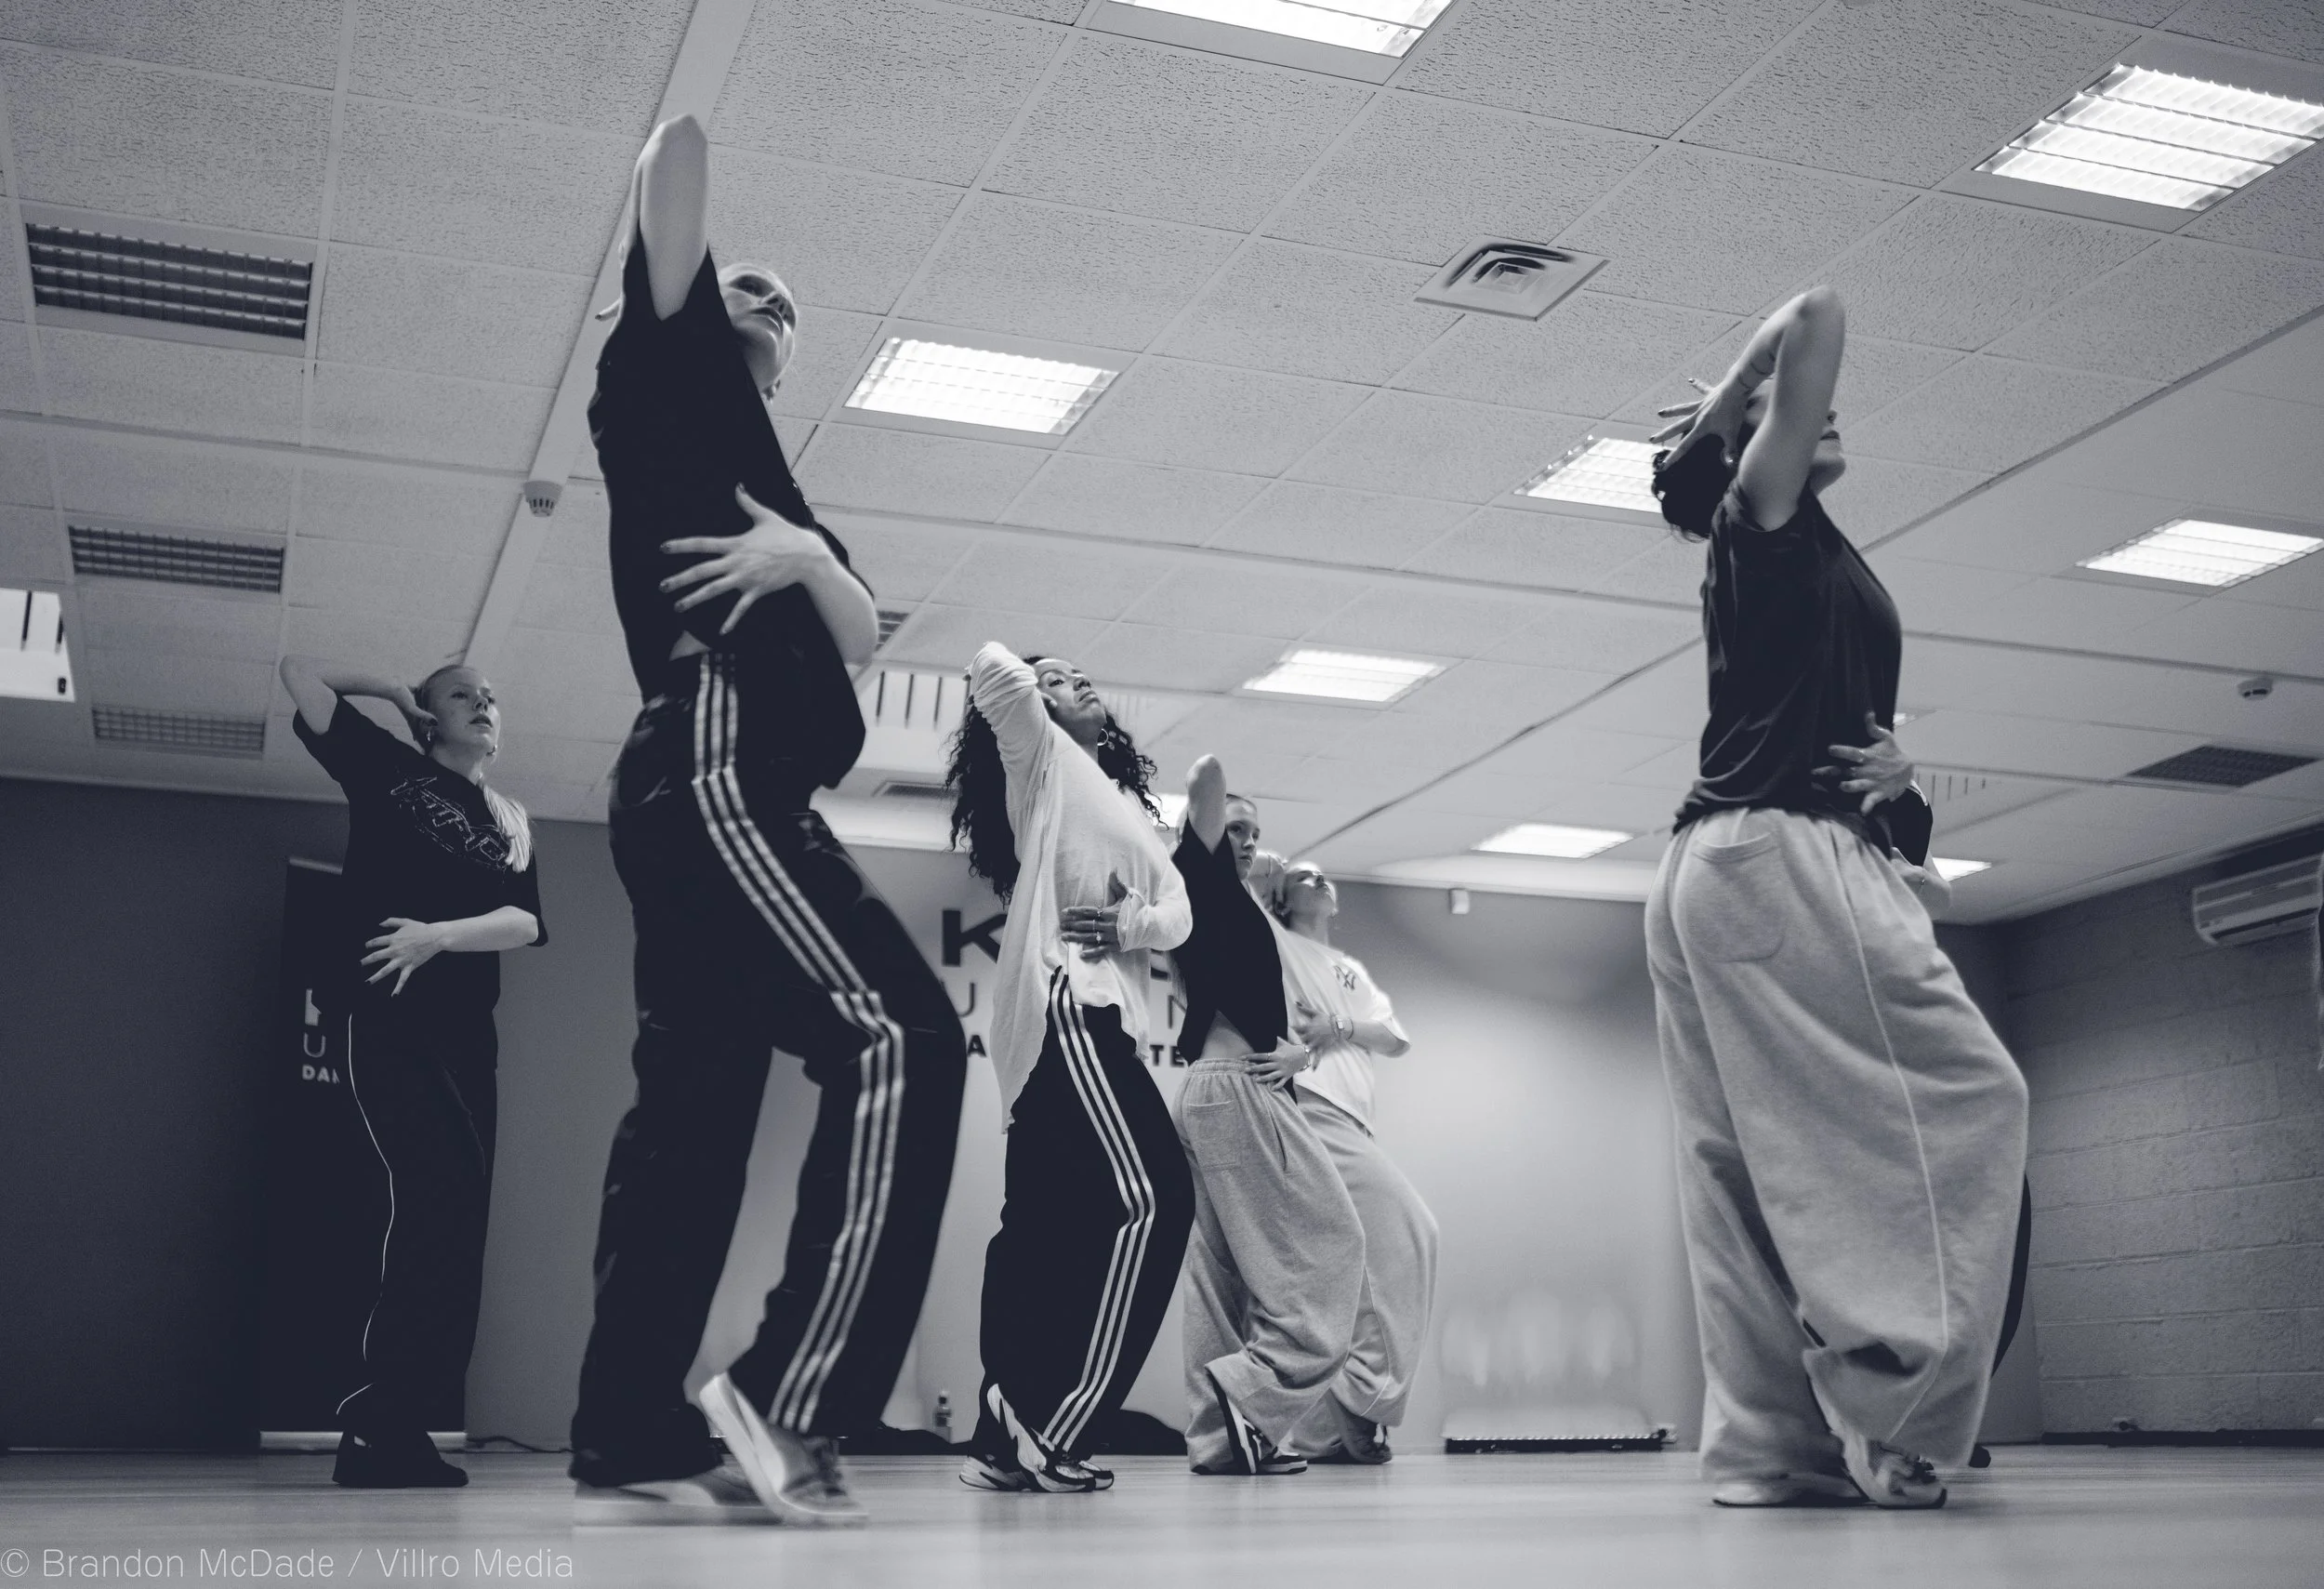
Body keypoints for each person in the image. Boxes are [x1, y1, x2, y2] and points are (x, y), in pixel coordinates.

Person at [568, 112, 966, 1528]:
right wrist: (679, 215)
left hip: (699, 775)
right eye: (753, 284)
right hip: (720, 748)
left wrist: (803, 550)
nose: (774, 299)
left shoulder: (774, 484)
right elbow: (673, 160)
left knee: (694, 1109)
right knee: (907, 1034)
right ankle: (788, 1401)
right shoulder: (662, 370)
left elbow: (861, 633)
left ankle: (623, 1429)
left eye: (790, 305)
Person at [1644, 285, 2029, 1510]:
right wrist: (1740, 390)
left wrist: (1904, 784)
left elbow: (1845, 732)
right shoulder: (1761, 516)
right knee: (1978, 1091)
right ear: (1753, 443)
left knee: (1737, 1170)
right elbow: (1817, 313)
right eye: (1790, 418)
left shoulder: (1803, 543)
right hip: (1774, 858)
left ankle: (1771, 1448)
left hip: (1728, 863)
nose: (1819, 413)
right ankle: (1909, 1409)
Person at [279, 655, 547, 1489]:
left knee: (457, 1231)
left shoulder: (510, 817)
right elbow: (298, 674)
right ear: (429, 715)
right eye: (463, 693)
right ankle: (378, 1421)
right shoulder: (386, 767)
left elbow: (524, 922)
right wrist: (389, 689)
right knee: (439, 1203)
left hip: (472, 1042)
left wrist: (436, 934)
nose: (483, 703)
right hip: (394, 1023)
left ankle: (393, 1423)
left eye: (491, 694)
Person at [945, 644, 1194, 1494]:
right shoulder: (1041, 759)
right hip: (1067, 1004)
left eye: (1078, 672)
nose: (1072, 679)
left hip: (1078, 1012)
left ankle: (1001, 1429)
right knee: (1157, 1199)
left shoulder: (1123, 802)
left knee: (1043, 1230)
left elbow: (1179, 912)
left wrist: (1131, 927)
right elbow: (999, 676)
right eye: (1056, 678)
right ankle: (1053, 1424)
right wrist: (1014, 667)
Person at [1169, 773, 1366, 1476]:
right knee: (1338, 1241)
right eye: (1237, 828)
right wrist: (1212, 809)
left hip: (1212, 1087)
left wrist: (1298, 1047)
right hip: (1239, 1088)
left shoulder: (1230, 906)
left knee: (1220, 1274)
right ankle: (1250, 1395)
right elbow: (1205, 784)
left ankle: (1220, 1439)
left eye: (1257, 832)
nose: (1249, 841)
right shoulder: (1204, 882)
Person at [1262, 858, 1437, 1466]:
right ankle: (1363, 1399)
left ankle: (1322, 1431)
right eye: (1303, 873)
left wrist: (1340, 1024)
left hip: (1354, 1123)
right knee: (1413, 1232)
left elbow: (1394, 1037)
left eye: (1323, 874)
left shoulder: (1352, 968)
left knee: (1338, 1276)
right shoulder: (1274, 939)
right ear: (1279, 896)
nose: (1319, 877)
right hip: (1313, 1111)